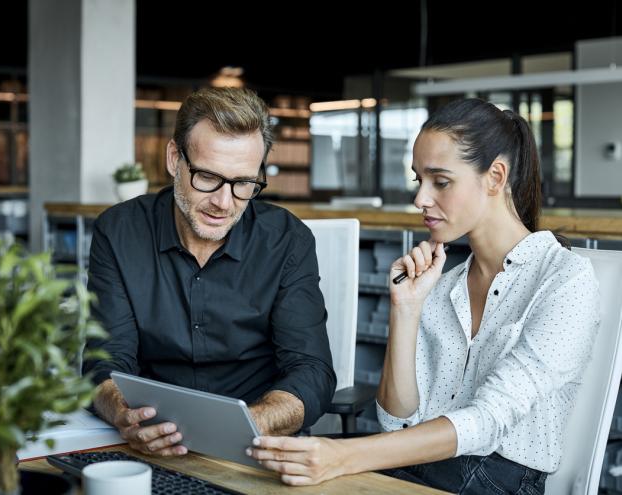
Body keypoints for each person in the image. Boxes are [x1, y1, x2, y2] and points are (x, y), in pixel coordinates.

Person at [248, 98, 600, 494]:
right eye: (419, 180)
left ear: (495, 177)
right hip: (427, 467)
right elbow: (396, 422)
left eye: (441, 182)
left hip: (500, 481)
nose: (420, 199)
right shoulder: (444, 285)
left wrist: (344, 456)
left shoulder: (565, 280)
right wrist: (406, 309)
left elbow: (487, 422)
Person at [83, 87, 336, 458]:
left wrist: (251, 423)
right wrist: (125, 415)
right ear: (174, 159)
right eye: (206, 177)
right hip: (150, 441)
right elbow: (105, 361)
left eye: (243, 183)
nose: (223, 202)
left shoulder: (288, 241)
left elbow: (311, 371)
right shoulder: (119, 232)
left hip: (256, 444)